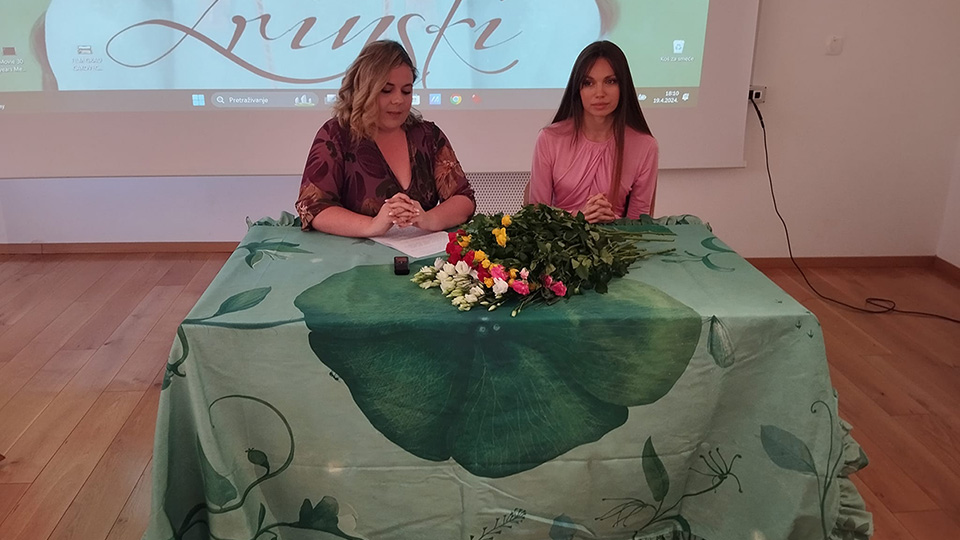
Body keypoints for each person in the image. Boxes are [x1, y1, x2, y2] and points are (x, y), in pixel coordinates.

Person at [296, 40, 475, 237]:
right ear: (364, 90)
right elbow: (312, 207)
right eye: (386, 90)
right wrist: (372, 225)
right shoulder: (336, 135)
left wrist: (427, 219)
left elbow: (463, 198)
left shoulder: (428, 136)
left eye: (406, 91)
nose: (398, 100)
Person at [527, 40, 658, 223]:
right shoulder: (549, 139)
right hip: (559, 238)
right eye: (588, 83)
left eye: (610, 81)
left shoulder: (645, 146)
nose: (600, 93)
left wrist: (612, 220)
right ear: (577, 89)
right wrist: (579, 217)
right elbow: (536, 215)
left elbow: (640, 224)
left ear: (623, 86)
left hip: (617, 239)